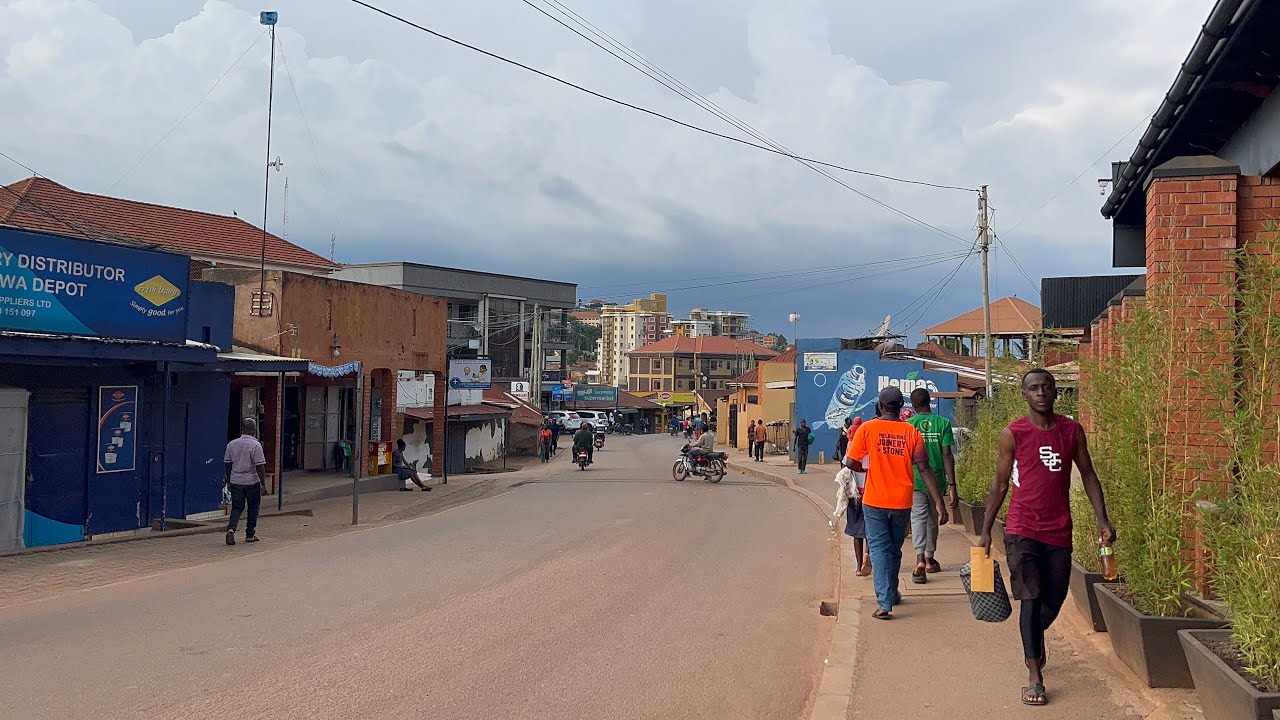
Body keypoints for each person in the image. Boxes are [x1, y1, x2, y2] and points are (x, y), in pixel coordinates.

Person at [978, 369, 1115, 707]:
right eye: (1033, 388)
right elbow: (999, 485)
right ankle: (1034, 674)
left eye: (1046, 387)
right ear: (1024, 394)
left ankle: (1034, 637)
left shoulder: (1072, 431)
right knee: (1031, 597)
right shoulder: (1013, 434)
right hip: (1022, 529)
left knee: (1053, 600)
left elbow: (1088, 474)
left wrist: (1103, 518)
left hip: (1058, 531)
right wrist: (984, 531)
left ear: (1056, 393)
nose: (1041, 393)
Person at [847, 387, 948, 619]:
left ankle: (885, 601)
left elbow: (850, 461)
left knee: (881, 549)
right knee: (893, 548)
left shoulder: (867, 429)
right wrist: (939, 503)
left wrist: (865, 468)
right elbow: (924, 468)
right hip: (902, 501)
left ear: (881, 407)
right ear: (901, 408)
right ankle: (891, 594)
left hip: (874, 500)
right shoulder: (911, 432)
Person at [906, 388, 955, 583]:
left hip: (915, 479)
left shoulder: (908, 425)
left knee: (917, 517)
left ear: (914, 405)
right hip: (938, 481)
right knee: (933, 519)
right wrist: (953, 486)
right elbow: (947, 455)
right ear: (929, 402)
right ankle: (929, 558)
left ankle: (919, 558)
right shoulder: (943, 423)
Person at [224, 417, 267, 546]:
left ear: (242, 429)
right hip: (252, 481)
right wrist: (263, 484)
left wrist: (229, 481)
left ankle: (231, 529)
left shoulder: (231, 444)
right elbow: (260, 466)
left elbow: (227, 464)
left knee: (237, 507)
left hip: (236, 481)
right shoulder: (255, 445)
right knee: (253, 507)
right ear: (254, 429)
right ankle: (250, 534)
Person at [845, 416, 871, 575]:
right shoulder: (868, 448)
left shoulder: (850, 447)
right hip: (870, 493)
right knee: (870, 530)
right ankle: (868, 556)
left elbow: (845, 469)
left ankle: (857, 567)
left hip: (854, 494)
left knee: (856, 532)